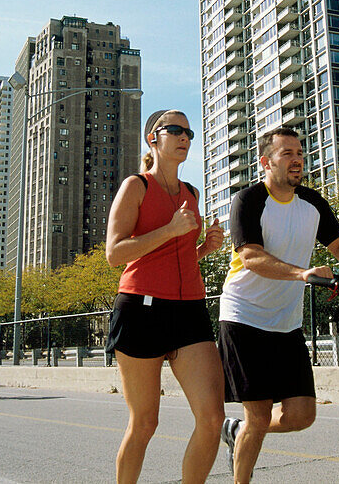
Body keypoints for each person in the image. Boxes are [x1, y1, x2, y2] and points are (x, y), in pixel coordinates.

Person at [218, 127, 339, 483]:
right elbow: (251, 257)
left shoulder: (313, 202)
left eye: (299, 153)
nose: (297, 159)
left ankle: (239, 430)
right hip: (243, 316)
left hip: (285, 323)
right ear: (266, 161)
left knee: (302, 416)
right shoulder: (248, 200)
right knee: (259, 416)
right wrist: (302, 273)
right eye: (287, 153)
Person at [105, 109, 226, 484]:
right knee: (144, 422)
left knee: (212, 417)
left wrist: (205, 247)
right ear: (153, 139)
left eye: (189, 131)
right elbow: (115, 254)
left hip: (190, 310)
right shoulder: (136, 186)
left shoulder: (193, 193)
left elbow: (177, 253)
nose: (184, 137)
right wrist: (171, 230)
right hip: (141, 310)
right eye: (174, 129)